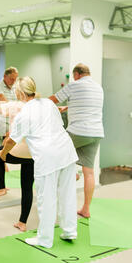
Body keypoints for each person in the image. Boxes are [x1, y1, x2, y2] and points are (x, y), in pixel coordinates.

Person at [0, 76, 78, 248]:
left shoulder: (24, 114)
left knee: (46, 198)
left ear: (19, 93)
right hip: (66, 151)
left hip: (48, 156)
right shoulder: (49, 103)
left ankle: (45, 240)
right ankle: (69, 231)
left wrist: (4, 154)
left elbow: (12, 140)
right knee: (68, 194)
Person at [49, 63, 104, 218]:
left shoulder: (74, 85)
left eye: (74, 76)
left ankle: (71, 175)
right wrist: (68, 108)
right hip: (96, 132)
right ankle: (86, 209)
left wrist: (35, 104)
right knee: (89, 172)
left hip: (79, 131)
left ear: (77, 74)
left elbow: (52, 100)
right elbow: (87, 107)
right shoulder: (98, 88)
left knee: (55, 153)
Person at [0, 100, 34, 232]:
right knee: (27, 187)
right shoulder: (39, 105)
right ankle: (22, 223)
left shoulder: (15, 105)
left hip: (19, 150)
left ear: (20, 93)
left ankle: (1, 188)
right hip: (34, 152)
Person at [0, 67, 18, 146]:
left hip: (9, 119)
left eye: (15, 79)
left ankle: (4, 155)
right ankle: (0, 156)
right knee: (8, 135)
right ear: (5, 76)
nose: (14, 81)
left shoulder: (14, 88)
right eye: (12, 79)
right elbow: (3, 99)